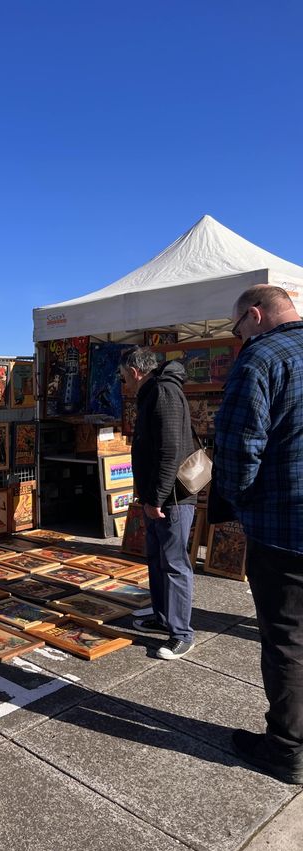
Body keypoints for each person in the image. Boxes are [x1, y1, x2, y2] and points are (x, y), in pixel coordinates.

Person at [214, 284, 303, 784]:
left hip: (285, 525)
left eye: (236, 328)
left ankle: (287, 748)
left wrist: (241, 502)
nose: (238, 337)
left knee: (287, 639)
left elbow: (238, 449)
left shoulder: (261, 358)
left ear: (254, 314)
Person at [119, 347, 197, 660]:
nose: (123, 381)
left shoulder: (163, 392)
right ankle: (163, 617)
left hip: (172, 499)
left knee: (174, 563)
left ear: (135, 370)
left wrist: (155, 499)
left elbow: (170, 452)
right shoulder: (154, 391)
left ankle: (181, 634)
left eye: (123, 375)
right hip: (160, 496)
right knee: (157, 559)